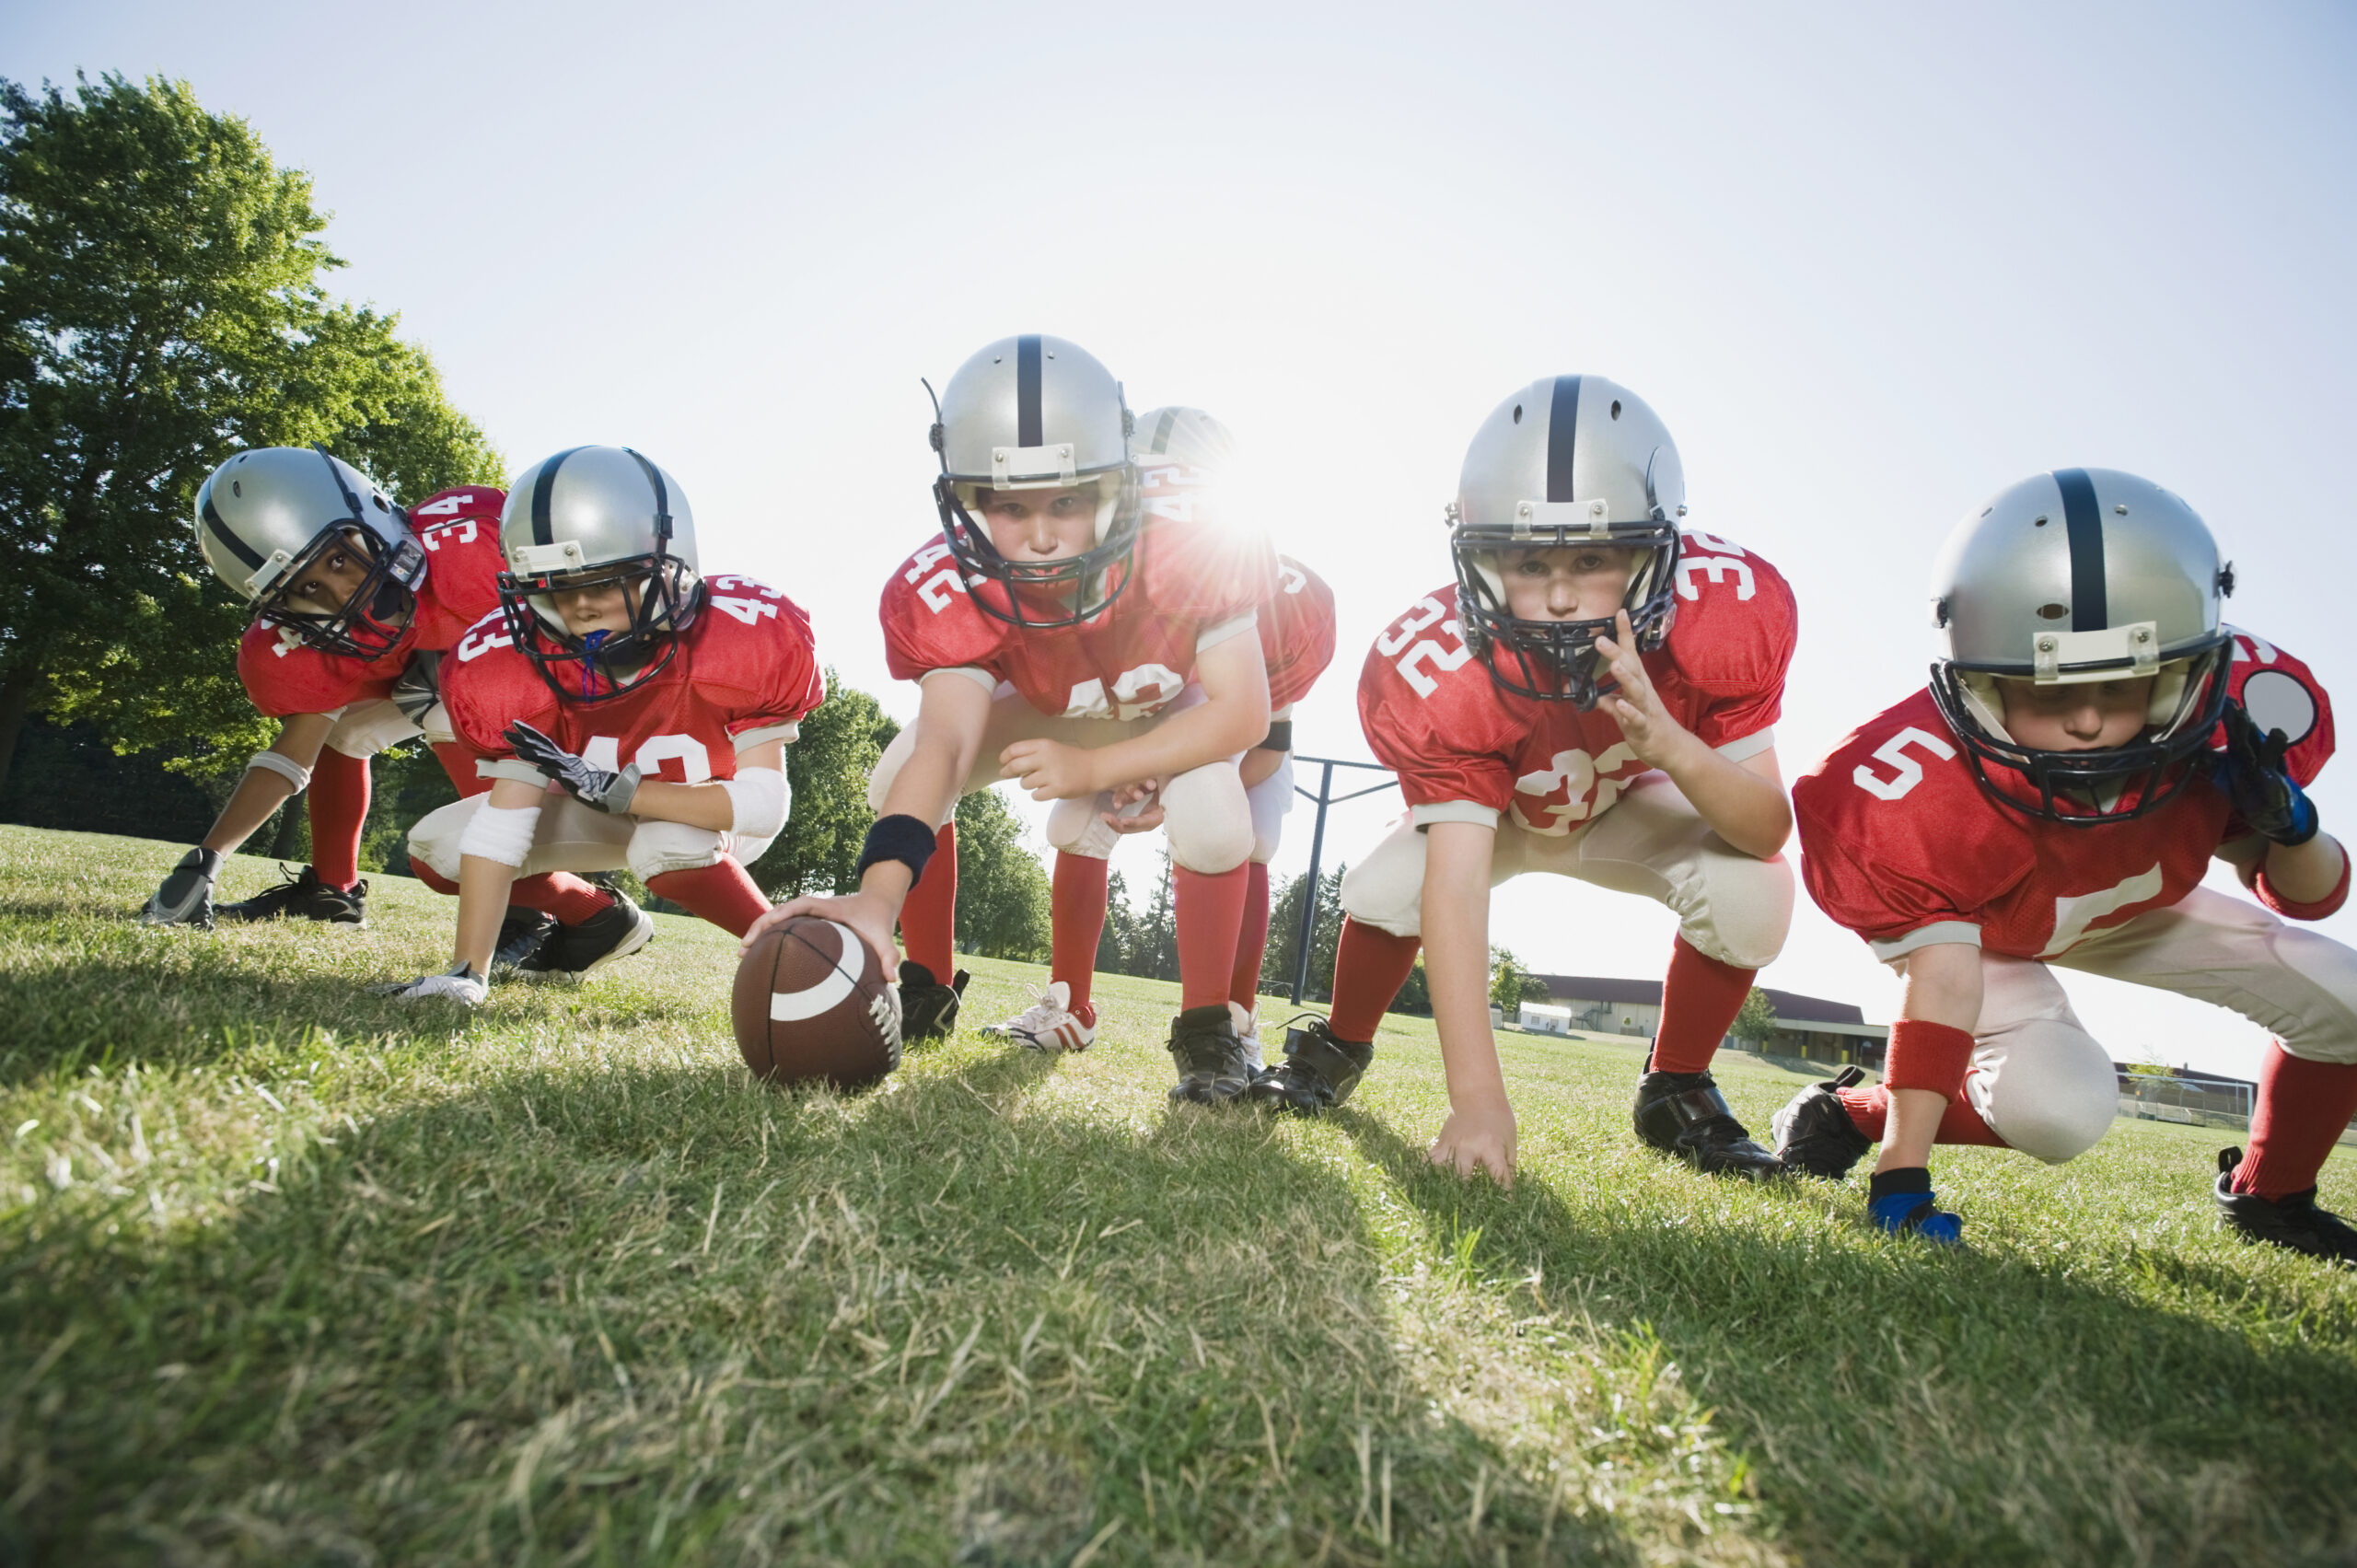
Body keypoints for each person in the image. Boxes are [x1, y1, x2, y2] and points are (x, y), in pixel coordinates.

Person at [1779, 468, 2355, 1259]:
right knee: (2058, 1108)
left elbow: (2309, 898)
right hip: (1989, 929)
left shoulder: (2240, 714)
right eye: (2050, 690)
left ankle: (2273, 1195)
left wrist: (2292, 826)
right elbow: (1943, 976)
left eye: (2121, 683)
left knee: (2348, 1002)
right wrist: (1900, 1173)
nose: (2088, 719)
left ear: (2175, 677)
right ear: (1982, 684)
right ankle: (1848, 1116)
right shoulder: (1906, 786)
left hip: (2132, 904)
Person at [1250, 376, 1797, 1187]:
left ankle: (1675, 1084)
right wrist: (1478, 1099)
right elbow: (1458, 885)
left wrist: (1676, 746)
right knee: (1382, 889)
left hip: (1625, 802)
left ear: (1656, 551)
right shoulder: (1444, 668)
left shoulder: (1719, 617)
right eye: (1531, 561)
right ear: (1481, 558)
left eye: (1594, 558)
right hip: (1500, 816)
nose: (1564, 594)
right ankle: (1339, 1043)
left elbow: (1765, 828)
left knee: (1758, 893)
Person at [747, 336, 1277, 1103]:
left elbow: (1243, 711)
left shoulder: (1193, 539)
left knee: (1216, 814)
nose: (1037, 533)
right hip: (1060, 700)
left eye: (1066, 499)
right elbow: (948, 741)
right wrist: (874, 898)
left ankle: (1209, 1028)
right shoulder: (948, 581)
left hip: (1174, 702)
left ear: (1117, 485)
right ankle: (925, 978)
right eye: (1008, 504)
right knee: (898, 774)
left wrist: (1099, 771)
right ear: (966, 501)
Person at [382, 445, 819, 1003]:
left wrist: (626, 793)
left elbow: (763, 806)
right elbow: (503, 826)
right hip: (601, 809)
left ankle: (793, 951)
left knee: (667, 843)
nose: (580, 608)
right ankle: (598, 917)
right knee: (438, 849)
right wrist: (467, 975)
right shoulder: (506, 665)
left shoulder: (742, 635)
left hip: (714, 819)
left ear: (668, 564)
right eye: (556, 589)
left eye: (603, 582)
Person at [981, 407, 1337, 1064]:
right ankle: (1070, 1005)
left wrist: (1166, 780)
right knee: (1075, 823)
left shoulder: (1264, 584)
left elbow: (1264, 746)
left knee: (1237, 825)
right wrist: (1123, 765)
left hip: (1229, 738)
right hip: (1139, 713)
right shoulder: (1095, 565)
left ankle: (1230, 1021)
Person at [142, 445, 510, 931]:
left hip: (532, 689)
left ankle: (553, 905)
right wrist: (208, 860)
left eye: (337, 561)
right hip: (427, 678)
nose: (342, 596)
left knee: (443, 697)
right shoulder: (306, 644)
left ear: (370, 517)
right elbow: (294, 753)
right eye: (308, 588)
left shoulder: (475, 548)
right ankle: (333, 892)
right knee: (343, 730)